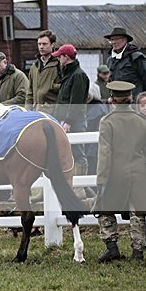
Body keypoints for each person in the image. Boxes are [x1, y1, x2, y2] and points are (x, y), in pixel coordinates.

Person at [93, 81, 146, 262]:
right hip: (138, 174)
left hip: (114, 175)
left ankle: (112, 248)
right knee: (137, 213)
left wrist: (101, 181)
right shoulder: (141, 121)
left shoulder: (107, 122)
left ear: (112, 99)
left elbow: (105, 153)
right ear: (130, 99)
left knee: (103, 210)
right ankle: (138, 252)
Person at [51, 43, 90, 191]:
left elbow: (77, 102)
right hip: (66, 120)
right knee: (68, 152)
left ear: (66, 57)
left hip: (74, 121)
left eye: (60, 56)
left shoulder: (78, 75)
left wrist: (68, 122)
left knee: (78, 153)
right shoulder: (71, 74)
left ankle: (79, 189)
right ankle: (73, 188)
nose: (59, 59)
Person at [104, 26, 146, 99]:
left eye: (117, 39)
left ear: (125, 40)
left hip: (134, 100)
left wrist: (142, 97)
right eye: (111, 40)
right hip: (117, 101)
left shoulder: (136, 57)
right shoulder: (110, 60)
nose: (114, 42)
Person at [25, 29, 61, 113]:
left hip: (53, 113)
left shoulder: (59, 65)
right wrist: (27, 111)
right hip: (36, 112)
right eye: (39, 44)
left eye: (44, 44)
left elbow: (64, 91)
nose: (41, 47)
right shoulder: (35, 66)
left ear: (52, 44)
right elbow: (30, 91)